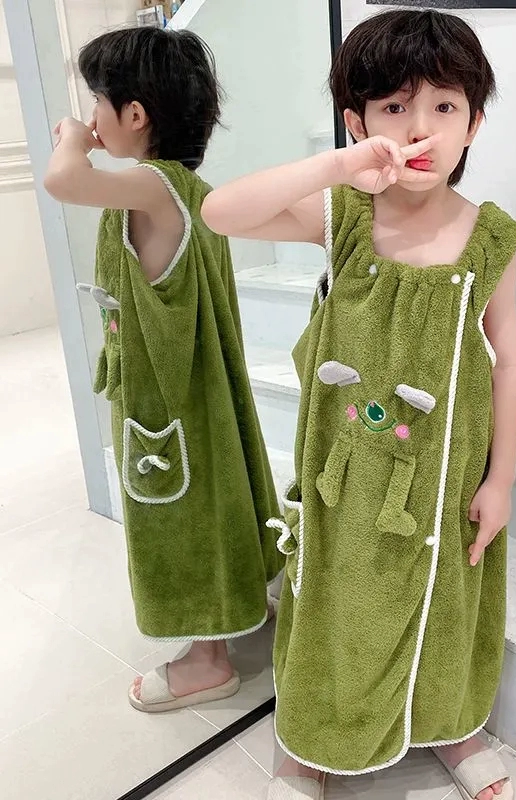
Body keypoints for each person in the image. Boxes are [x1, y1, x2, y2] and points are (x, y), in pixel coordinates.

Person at [202, 9, 516, 800]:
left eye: (444, 106)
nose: (419, 128)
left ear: (474, 124)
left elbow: (509, 363)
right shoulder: (344, 216)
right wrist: (340, 169)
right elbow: (220, 212)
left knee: (446, 602)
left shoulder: (490, 239)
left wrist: (502, 480)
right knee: (335, 602)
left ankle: (451, 726)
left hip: (445, 477)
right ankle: (307, 742)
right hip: (345, 478)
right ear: (358, 122)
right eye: (393, 107)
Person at [44, 26, 283, 713]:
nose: (91, 118)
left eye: (98, 102)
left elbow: (62, 180)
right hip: (197, 390)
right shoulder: (189, 189)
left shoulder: (151, 186)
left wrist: (72, 140)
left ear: (135, 114)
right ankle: (243, 604)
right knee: (218, 493)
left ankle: (208, 659)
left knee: (180, 513)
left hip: (164, 399)